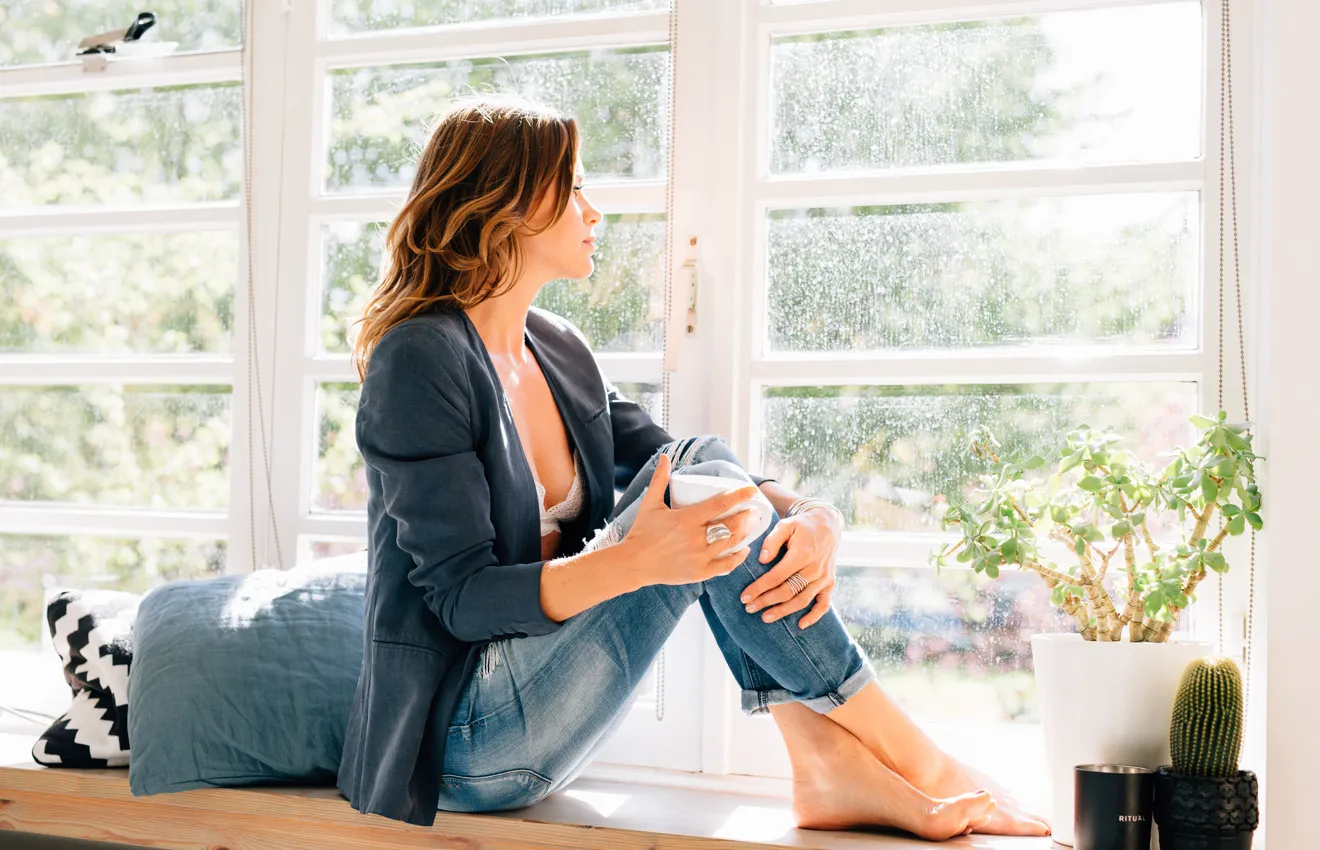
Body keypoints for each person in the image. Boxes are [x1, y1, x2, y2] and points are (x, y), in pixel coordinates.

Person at [336, 92, 1050, 841]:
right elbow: (461, 599)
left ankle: (825, 760)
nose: (594, 211)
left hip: (549, 708)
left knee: (699, 474)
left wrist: (812, 514)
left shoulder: (558, 348)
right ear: (506, 204)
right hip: (462, 744)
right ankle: (917, 760)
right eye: (573, 187)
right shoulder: (419, 358)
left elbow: (679, 460)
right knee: (692, 497)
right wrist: (636, 561)